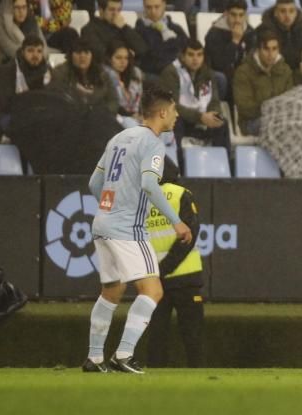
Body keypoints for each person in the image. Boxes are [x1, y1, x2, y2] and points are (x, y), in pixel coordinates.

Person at [82, 86, 194, 374]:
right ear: (162, 112)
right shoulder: (152, 143)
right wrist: (176, 221)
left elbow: (95, 184)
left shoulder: (119, 137)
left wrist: (110, 208)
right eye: (174, 110)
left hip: (102, 223)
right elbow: (148, 184)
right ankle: (124, 355)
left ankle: (94, 358)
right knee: (153, 291)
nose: (177, 115)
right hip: (128, 229)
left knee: (111, 291)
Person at [146, 158, 205, 368]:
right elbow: (190, 236)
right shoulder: (181, 194)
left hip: (154, 280)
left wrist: (157, 271)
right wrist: (167, 268)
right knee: (193, 336)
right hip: (186, 279)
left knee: (156, 337)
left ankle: (153, 381)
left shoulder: (142, 198)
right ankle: (198, 379)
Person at [159, 40, 230, 150]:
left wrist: (213, 115)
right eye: (191, 55)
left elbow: (214, 101)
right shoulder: (171, 72)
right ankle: (179, 164)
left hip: (201, 118)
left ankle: (221, 165)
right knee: (175, 122)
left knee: (221, 123)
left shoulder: (208, 73)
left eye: (199, 55)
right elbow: (172, 106)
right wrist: (199, 117)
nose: (195, 59)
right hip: (182, 119)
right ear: (182, 56)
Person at [0, 34, 49, 135]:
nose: (35, 55)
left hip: (36, 119)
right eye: (30, 50)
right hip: (7, 116)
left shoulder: (48, 73)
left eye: (39, 51)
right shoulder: (7, 71)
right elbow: (5, 102)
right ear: (22, 52)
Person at [233, 30, 293, 136]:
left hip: (282, 120)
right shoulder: (244, 72)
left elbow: (290, 101)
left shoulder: (285, 70)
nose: (270, 54)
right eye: (266, 49)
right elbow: (244, 108)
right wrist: (271, 109)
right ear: (258, 49)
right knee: (278, 126)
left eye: (274, 49)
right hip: (251, 122)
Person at [50, 38, 118, 116]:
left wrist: (100, 112)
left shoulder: (102, 74)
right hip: (70, 117)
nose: (82, 56)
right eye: (78, 52)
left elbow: (113, 100)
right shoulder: (59, 73)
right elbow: (56, 101)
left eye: (86, 52)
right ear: (71, 55)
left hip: (98, 117)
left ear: (92, 56)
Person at [204, 0, 256, 101]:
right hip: (220, 75)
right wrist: (235, 42)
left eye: (241, 15)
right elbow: (219, 65)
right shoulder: (214, 33)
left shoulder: (250, 32)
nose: (237, 20)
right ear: (226, 13)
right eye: (233, 15)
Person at [81, 0, 148, 67]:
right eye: (111, 10)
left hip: (127, 68)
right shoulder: (89, 29)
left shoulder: (122, 27)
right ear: (101, 10)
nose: (116, 14)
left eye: (118, 10)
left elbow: (142, 49)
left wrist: (124, 28)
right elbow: (101, 56)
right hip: (104, 69)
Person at [134, 0, 188, 77]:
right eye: (149, 7)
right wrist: (174, 42)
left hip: (179, 72)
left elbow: (188, 48)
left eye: (157, 7)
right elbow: (153, 54)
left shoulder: (175, 28)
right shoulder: (139, 30)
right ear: (144, 7)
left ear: (164, 5)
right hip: (154, 74)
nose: (153, 11)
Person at [257, 0, 302, 71]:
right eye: (283, 11)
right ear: (275, 13)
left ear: (296, 12)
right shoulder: (262, 31)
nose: (287, 15)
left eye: (291, 11)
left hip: (297, 75)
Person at [104, 40, 144, 128]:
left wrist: (140, 115)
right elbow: (112, 105)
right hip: (116, 116)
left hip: (135, 115)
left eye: (126, 58)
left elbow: (139, 101)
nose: (123, 62)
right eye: (118, 58)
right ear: (109, 58)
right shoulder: (105, 75)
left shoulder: (135, 73)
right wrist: (131, 115)